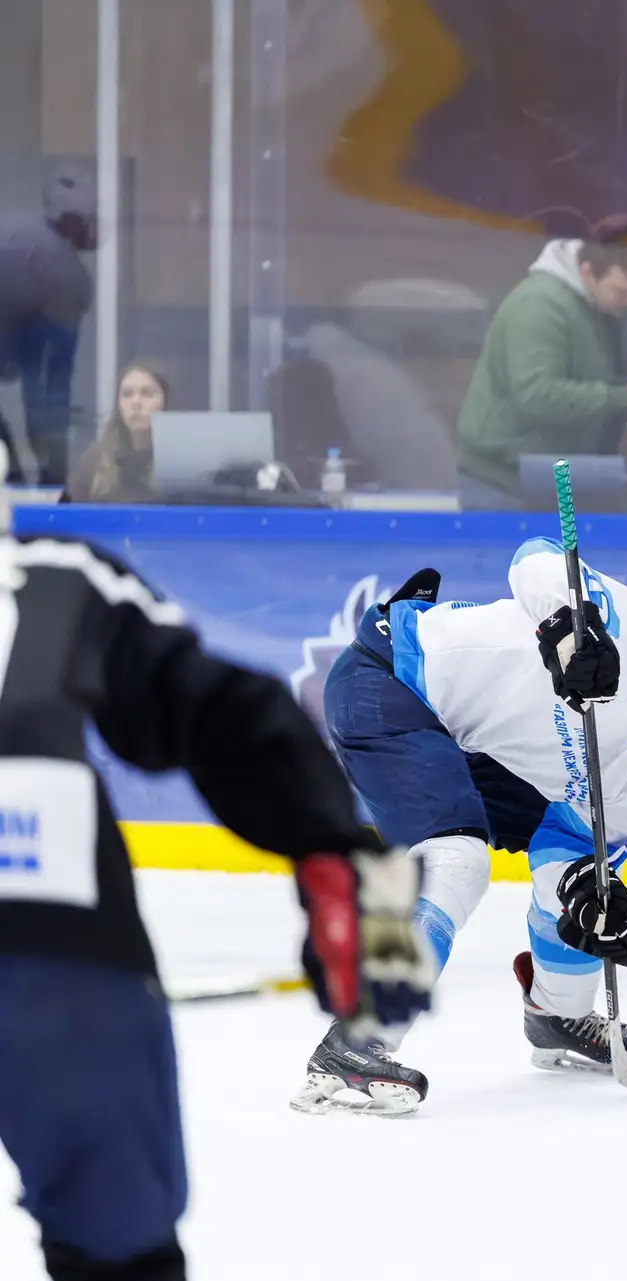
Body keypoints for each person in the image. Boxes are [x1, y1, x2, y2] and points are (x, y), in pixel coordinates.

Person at [0, 441, 435, 1279]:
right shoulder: (55, 574)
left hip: (68, 972)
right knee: (120, 1251)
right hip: (66, 969)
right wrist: (348, 869)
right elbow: (225, 713)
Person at [290, 538, 627, 1114]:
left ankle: (557, 1013)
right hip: (393, 678)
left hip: (479, 743)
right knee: (457, 862)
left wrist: (585, 894)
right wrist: (570, 630)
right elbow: (534, 558)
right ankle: (358, 1035)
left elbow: (563, 850)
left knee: (588, 886)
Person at [456, 216, 627, 508]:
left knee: (580, 535)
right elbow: (536, 395)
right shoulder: (539, 307)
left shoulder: (605, 307)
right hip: (504, 484)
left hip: (560, 476)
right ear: (588, 272)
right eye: (622, 291)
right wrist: (625, 397)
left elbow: (592, 381)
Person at [0, 166, 96, 486]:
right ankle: (39, 478)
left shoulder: (24, 241)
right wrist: (54, 476)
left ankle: (20, 476)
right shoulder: (68, 277)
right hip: (34, 319)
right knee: (47, 399)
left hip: (28, 320)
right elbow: (51, 389)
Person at [67, 361, 168, 503]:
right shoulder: (96, 459)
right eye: (127, 394)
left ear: (164, 402)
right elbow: (70, 510)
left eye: (146, 393)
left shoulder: (180, 460)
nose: (136, 402)